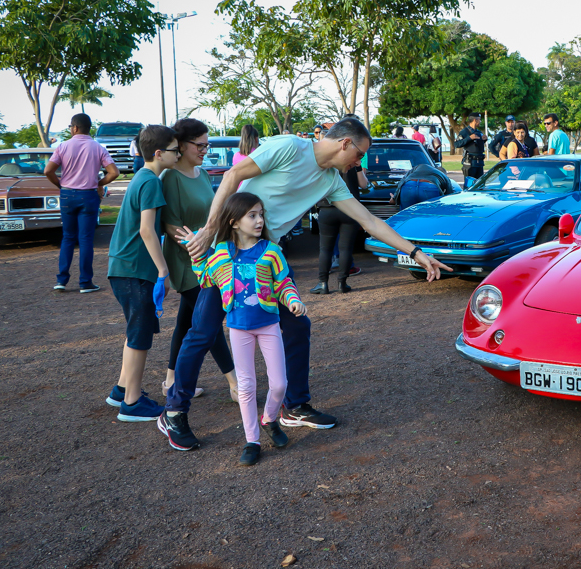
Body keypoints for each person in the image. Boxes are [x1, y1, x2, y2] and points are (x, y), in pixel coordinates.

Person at [159, 117, 451, 451]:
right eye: (359, 155)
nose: (360, 163)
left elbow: (368, 220)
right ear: (344, 143)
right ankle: (175, 411)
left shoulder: (331, 182)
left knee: (297, 325)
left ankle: (295, 405)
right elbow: (233, 175)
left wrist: (416, 253)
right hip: (228, 253)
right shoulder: (289, 148)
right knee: (203, 332)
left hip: (267, 259)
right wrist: (211, 229)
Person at [187, 192, 302, 466]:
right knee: (246, 386)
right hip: (238, 328)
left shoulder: (272, 252)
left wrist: (294, 301)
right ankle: (252, 440)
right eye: (252, 215)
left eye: (261, 214)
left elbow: (284, 283)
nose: (259, 220)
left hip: (269, 325)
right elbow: (204, 277)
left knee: (280, 385)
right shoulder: (222, 253)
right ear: (234, 222)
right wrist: (194, 250)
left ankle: (270, 419)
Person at [104, 125, 179, 421]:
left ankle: (122, 390)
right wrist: (164, 271)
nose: (179, 153)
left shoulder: (143, 177)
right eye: (175, 149)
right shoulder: (150, 182)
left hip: (124, 269)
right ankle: (132, 404)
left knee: (137, 331)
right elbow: (147, 230)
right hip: (135, 270)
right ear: (159, 153)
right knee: (140, 335)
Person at [160, 118, 238, 401]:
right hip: (188, 262)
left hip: (210, 261)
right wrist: (196, 251)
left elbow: (212, 217)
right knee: (209, 322)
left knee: (186, 320)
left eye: (208, 144)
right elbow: (169, 225)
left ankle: (171, 379)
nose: (205, 150)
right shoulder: (170, 178)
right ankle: (234, 383)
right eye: (200, 145)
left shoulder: (203, 175)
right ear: (181, 145)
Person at [44, 113, 119, 293]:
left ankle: (62, 280)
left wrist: (60, 185)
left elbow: (48, 170)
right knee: (86, 239)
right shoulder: (98, 147)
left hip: (68, 195)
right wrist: (99, 183)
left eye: (71, 126)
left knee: (68, 237)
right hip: (89, 195)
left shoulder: (63, 146)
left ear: (75, 128)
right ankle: (85, 282)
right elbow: (114, 172)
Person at [311, 164, 367, 294]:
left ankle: (323, 283)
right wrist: (358, 168)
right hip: (349, 208)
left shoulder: (325, 162)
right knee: (346, 249)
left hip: (327, 207)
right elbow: (363, 184)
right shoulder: (354, 162)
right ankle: (342, 283)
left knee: (325, 249)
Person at [390, 163, 457, 208]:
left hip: (408, 186)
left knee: (405, 216)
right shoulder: (444, 176)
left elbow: (402, 181)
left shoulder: (419, 167)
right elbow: (449, 197)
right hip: (429, 187)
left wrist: (394, 198)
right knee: (431, 217)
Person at [455, 114, 487, 189]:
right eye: (479, 120)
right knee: (469, 186)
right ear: (475, 120)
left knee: (480, 185)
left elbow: (477, 147)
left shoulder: (479, 132)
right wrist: (469, 138)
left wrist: (484, 140)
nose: (480, 121)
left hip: (479, 163)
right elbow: (457, 144)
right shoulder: (464, 132)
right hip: (470, 163)